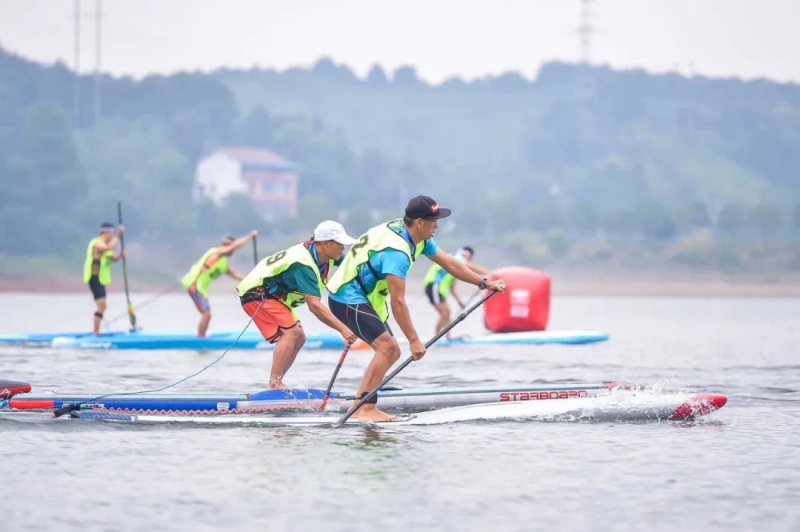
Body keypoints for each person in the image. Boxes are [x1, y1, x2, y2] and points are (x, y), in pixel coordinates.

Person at [326, 195, 506, 422]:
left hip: (364, 296)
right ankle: (365, 408)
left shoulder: (417, 236)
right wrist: (414, 340)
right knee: (389, 348)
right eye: (434, 221)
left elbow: (451, 264)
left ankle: (359, 407)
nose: (437, 226)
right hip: (346, 296)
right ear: (419, 222)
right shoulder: (397, 252)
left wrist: (484, 283)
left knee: (390, 350)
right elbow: (398, 302)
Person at [236, 221, 359, 389]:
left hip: (276, 297)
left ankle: (277, 382)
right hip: (257, 293)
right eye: (340, 243)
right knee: (292, 333)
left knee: (300, 337)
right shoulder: (303, 265)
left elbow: (354, 263)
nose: (343, 248)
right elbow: (314, 306)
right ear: (326, 243)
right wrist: (343, 329)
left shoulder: (326, 255)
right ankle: (275, 383)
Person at [181, 230, 258, 337]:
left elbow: (236, 275)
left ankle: (201, 336)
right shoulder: (215, 252)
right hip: (194, 284)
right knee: (206, 314)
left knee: (206, 314)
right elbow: (234, 246)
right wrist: (250, 236)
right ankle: (200, 339)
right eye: (227, 245)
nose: (229, 248)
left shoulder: (224, 264)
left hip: (200, 288)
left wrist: (255, 280)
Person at [423, 246, 491, 340]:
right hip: (434, 285)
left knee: (446, 313)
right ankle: (438, 338)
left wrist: (459, 301)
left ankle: (444, 338)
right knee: (444, 313)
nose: (466, 256)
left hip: (439, 290)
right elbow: (469, 266)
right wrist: (489, 273)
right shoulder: (456, 258)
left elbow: (452, 288)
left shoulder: (455, 269)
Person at [83, 222, 125, 335]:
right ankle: (96, 332)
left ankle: (96, 331)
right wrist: (119, 234)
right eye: (112, 234)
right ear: (107, 232)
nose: (112, 236)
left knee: (103, 306)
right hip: (94, 278)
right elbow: (109, 247)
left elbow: (114, 258)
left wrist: (120, 255)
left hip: (100, 280)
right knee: (101, 306)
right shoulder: (98, 243)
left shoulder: (105, 246)